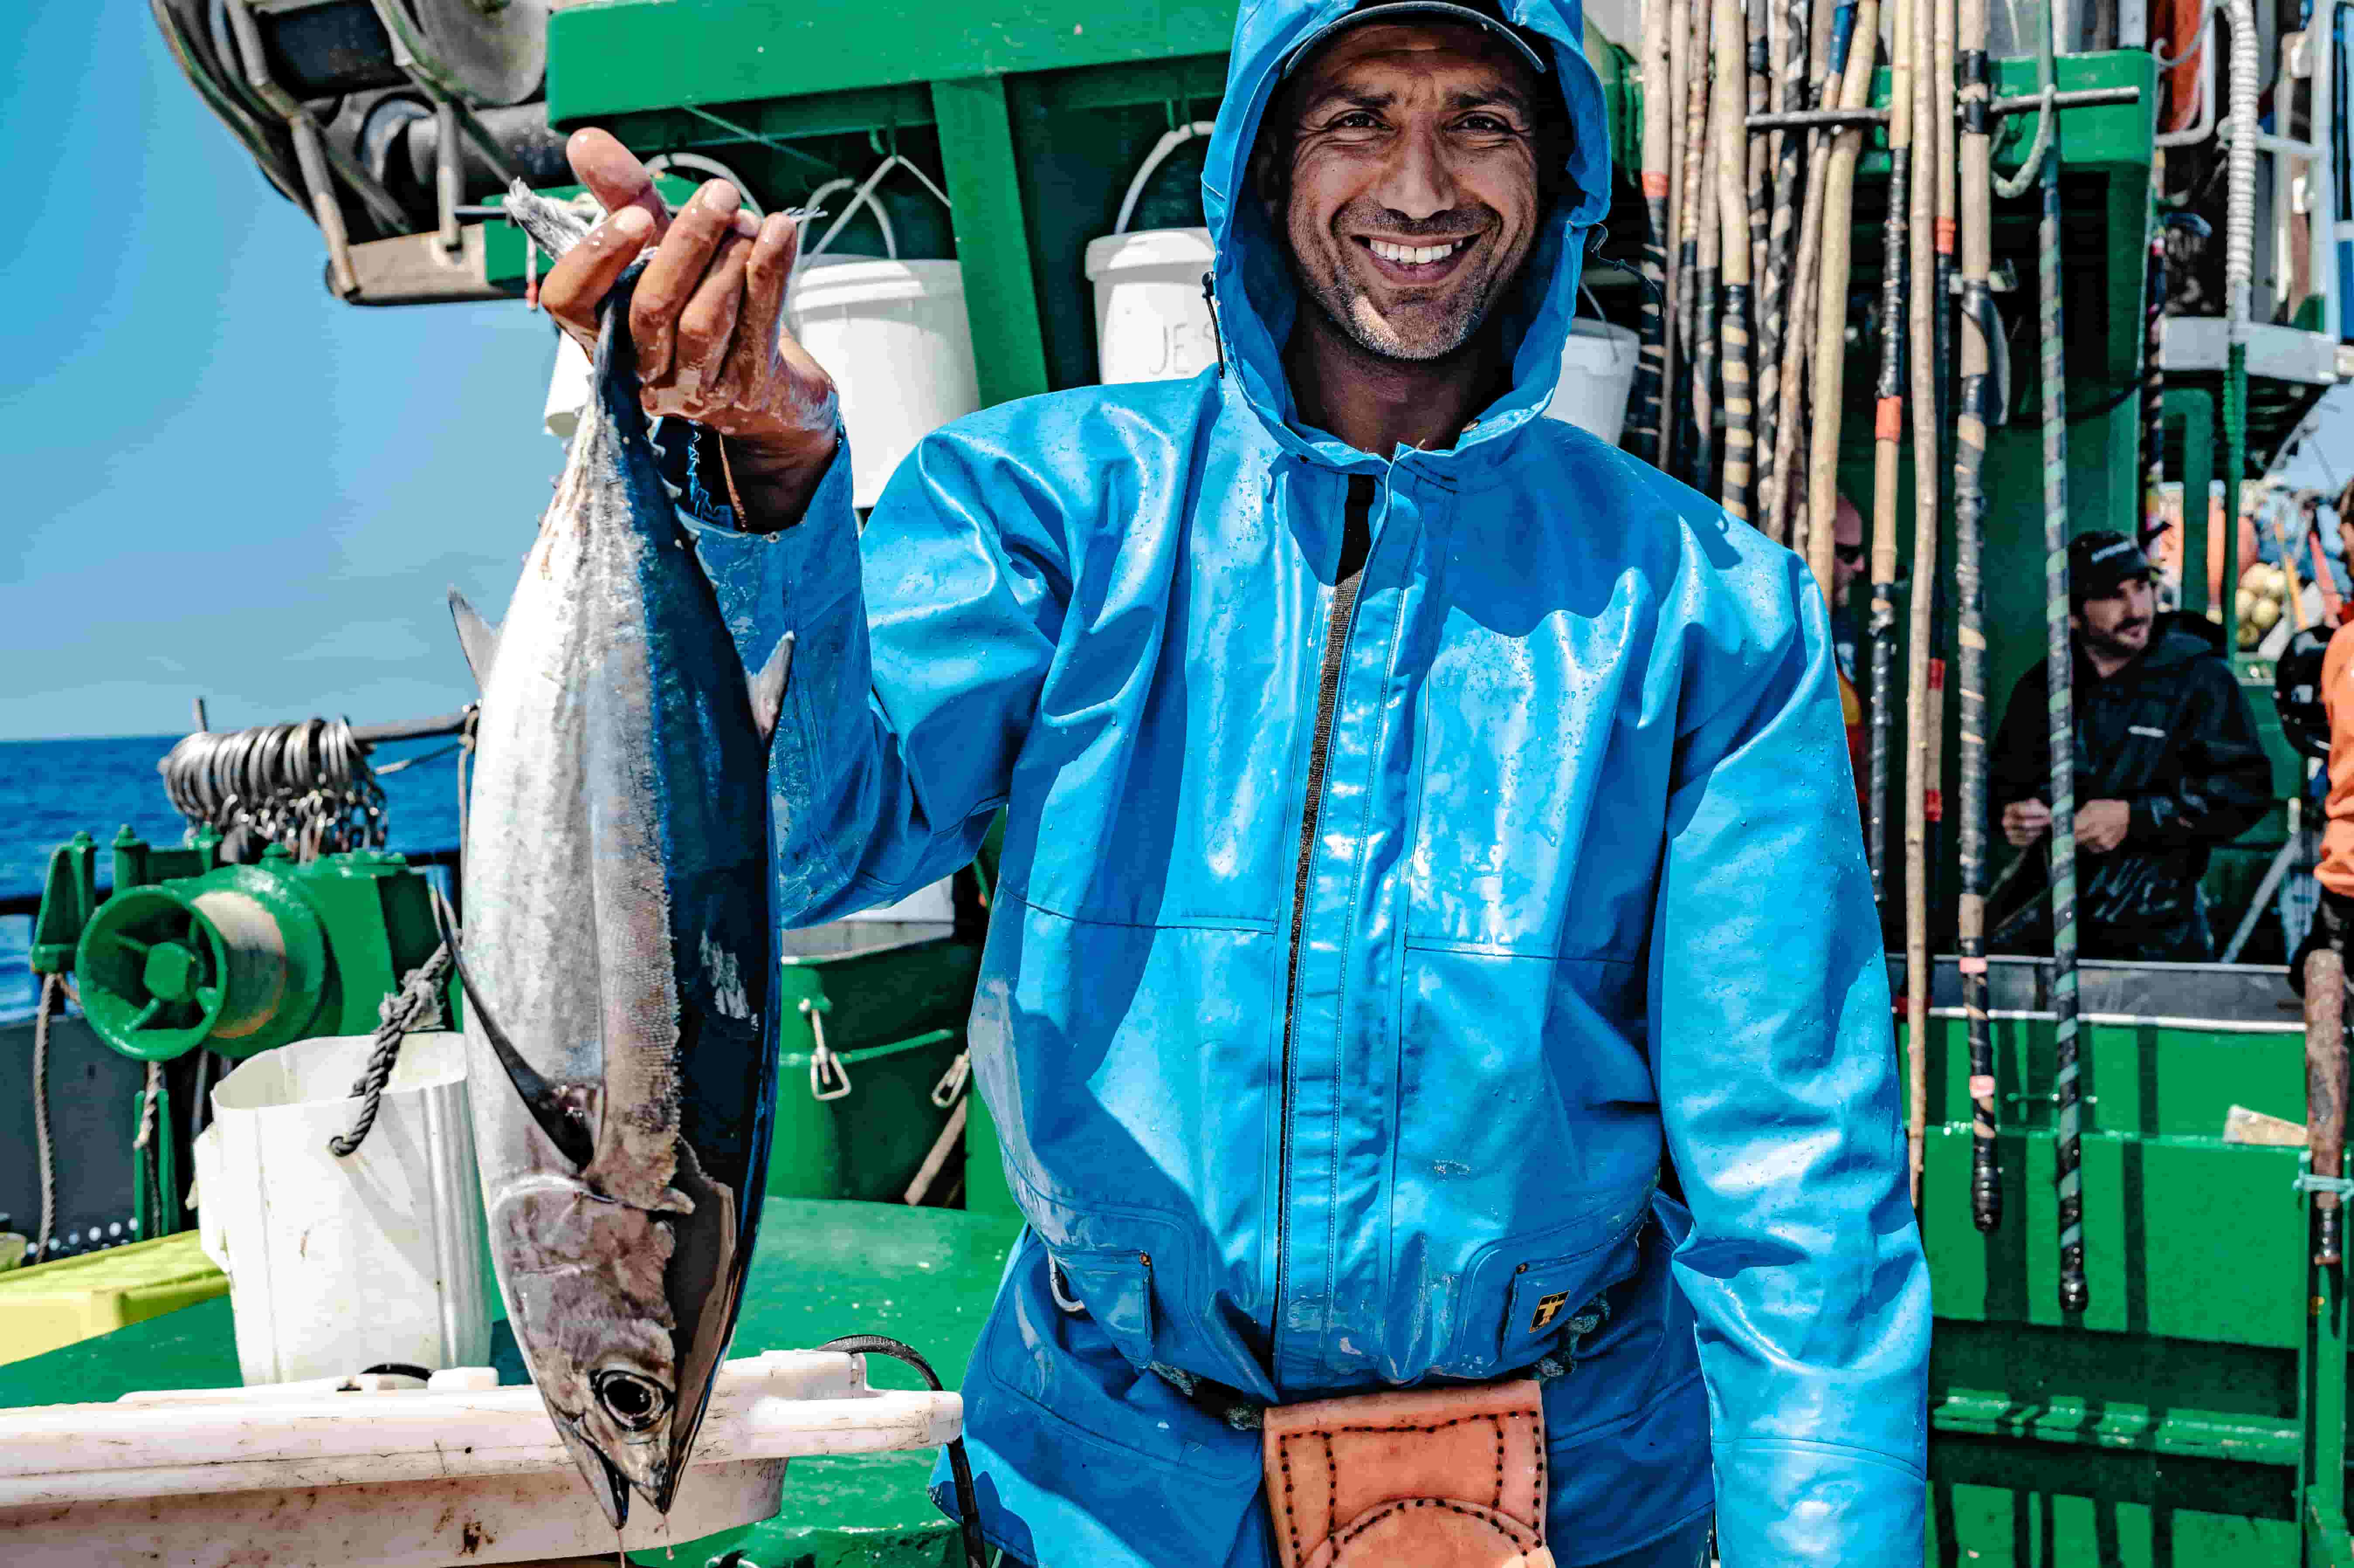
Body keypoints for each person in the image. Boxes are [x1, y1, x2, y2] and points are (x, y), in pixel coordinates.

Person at [540, 2, 1928, 1563]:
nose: (1419, 184)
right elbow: (805, 846)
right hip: (1109, 1490)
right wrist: (759, 489)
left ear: (1558, 182)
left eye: (1481, 121)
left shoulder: (1709, 608)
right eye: (1354, 119)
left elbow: (1799, 1192)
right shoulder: (1044, 506)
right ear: (1263, 165)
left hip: (1581, 1495)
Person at [1988, 530, 2271, 961]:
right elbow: (2003, 786)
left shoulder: (2197, 677)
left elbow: (2243, 792)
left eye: (2142, 588)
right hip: (2054, 929)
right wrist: (2012, 816)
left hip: (2161, 937)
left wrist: (2133, 817)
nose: (2136, 609)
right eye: (2113, 596)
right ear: (2072, 615)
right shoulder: (2041, 688)